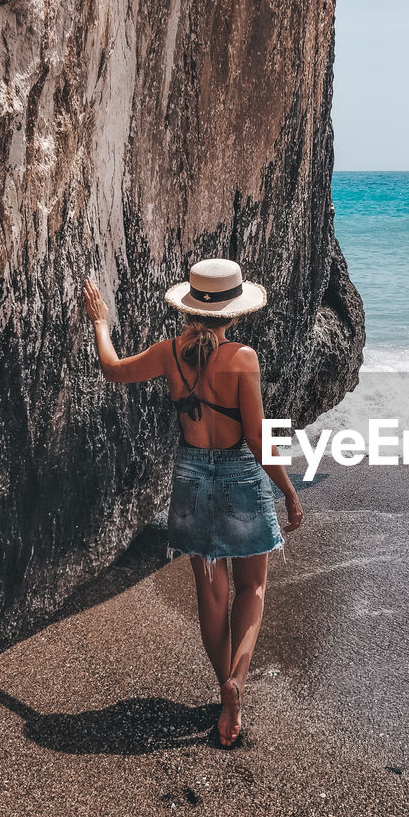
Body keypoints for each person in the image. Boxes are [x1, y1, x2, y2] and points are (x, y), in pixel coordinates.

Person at [83, 258, 303, 747]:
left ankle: (221, 678)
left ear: (191, 308)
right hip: (238, 474)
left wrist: (100, 323)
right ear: (234, 313)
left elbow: (112, 369)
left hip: (191, 478)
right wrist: (288, 491)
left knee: (211, 592)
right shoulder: (243, 358)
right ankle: (236, 686)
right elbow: (258, 439)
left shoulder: (168, 352)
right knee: (253, 588)